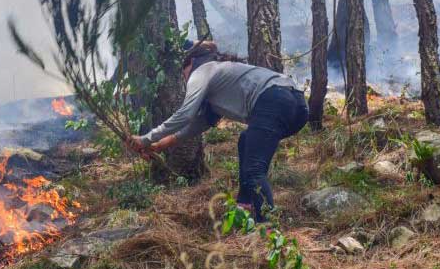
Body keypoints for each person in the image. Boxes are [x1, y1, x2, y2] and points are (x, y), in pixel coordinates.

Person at [130, 41, 308, 222]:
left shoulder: (203, 71)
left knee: (255, 170)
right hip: (298, 105)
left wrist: (145, 139)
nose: (185, 79)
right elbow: (201, 122)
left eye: (183, 72)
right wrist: (161, 143)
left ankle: (268, 226)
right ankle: (245, 206)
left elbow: (185, 114)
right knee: (246, 141)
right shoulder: (220, 76)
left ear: (190, 62)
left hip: (273, 99)